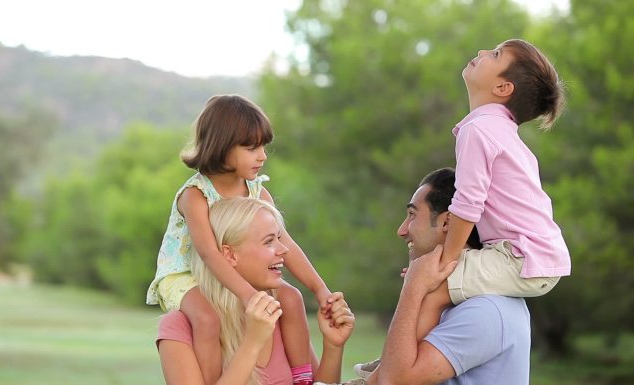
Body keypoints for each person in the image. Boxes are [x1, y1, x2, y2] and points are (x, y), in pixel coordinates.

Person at [356, 38, 572, 379]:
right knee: (430, 280)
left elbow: (468, 204)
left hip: (521, 258)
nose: (484, 52)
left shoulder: (479, 129)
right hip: (533, 257)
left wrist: (445, 261)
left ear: (503, 87)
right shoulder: (501, 132)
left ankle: (386, 372)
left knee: (433, 286)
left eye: (496, 54)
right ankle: (390, 363)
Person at [146, 95, 332, 385]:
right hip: (185, 274)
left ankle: (303, 378)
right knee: (207, 320)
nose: (262, 156)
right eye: (251, 147)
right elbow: (208, 253)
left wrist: (320, 289)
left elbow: (288, 246)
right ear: (221, 146)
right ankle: (213, 379)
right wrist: (248, 295)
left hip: (229, 273)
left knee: (292, 298)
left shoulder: (257, 192)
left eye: (263, 147)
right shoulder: (195, 195)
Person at [340, 168, 530, 385]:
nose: (401, 230)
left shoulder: (487, 310)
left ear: (447, 222)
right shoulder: (456, 301)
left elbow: (392, 381)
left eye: (412, 214)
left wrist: (413, 288)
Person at [157, 197, 355, 385]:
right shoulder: (180, 327)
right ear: (230, 255)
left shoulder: (283, 309)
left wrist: (333, 347)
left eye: (279, 238)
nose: (283, 249)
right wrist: (253, 341)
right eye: (269, 241)